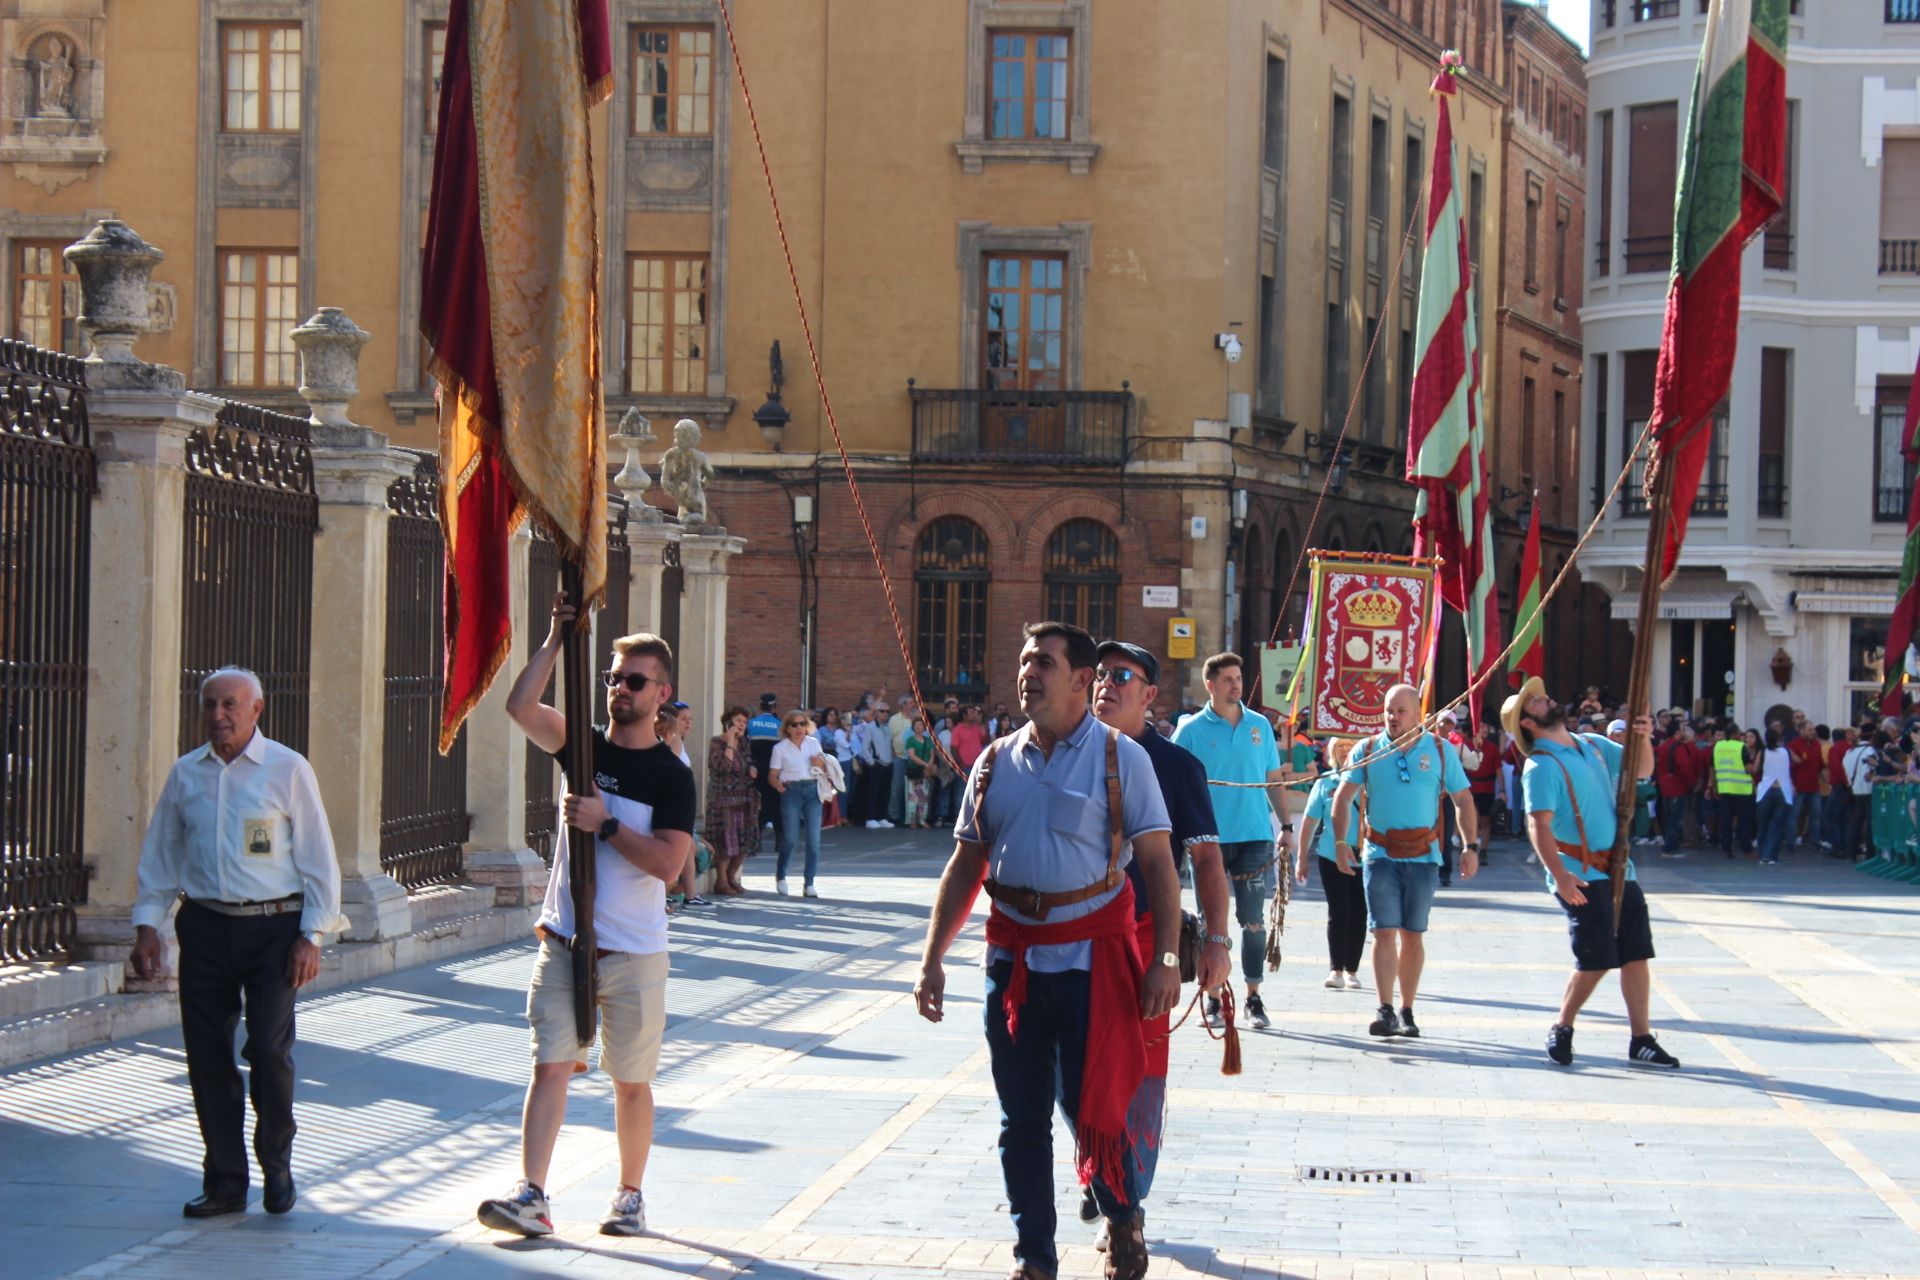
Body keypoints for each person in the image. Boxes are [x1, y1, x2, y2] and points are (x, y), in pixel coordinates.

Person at [915, 622, 1180, 1280]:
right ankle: (1034, 1256)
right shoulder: (994, 761)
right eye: (1025, 659)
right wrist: (931, 958)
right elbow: (965, 864)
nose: (1027, 672)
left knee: (1100, 1106)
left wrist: (1167, 959)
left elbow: (1159, 865)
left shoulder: (1124, 759)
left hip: (1095, 963)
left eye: (1044, 663)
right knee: (1021, 1119)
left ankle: (1122, 1218)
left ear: (1081, 680)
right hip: (1012, 966)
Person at [483, 601, 695, 1238]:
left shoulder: (672, 775)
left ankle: (630, 1196)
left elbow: (667, 864)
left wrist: (605, 825)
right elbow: (520, 708)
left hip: (632, 950)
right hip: (565, 940)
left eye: (634, 680)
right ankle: (533, 1195)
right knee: (550, 1064)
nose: (618, 690)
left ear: (661, 694)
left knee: (630, 1081)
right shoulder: (584, 746)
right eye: (612, 677)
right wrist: (553, 638)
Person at [130, 666, 343, 1219]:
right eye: (209, 705)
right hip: (204, 926)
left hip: (274, 930)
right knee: (207, 1056)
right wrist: (147, 924)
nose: (218, 715)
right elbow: (161, 854)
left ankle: (276, 1162)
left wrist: (311, 934)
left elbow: (319, 859)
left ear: (256, 710)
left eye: (229, 704)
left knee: (269, 1051)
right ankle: (225, 1180)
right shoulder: (186, 774)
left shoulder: (287, 769)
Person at [1085, 639, 1233, 1242]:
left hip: (1150, 939)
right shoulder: (1066, 755)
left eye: (1122, 675)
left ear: (1149, 695)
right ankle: (1102, 1173)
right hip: (1074, 939)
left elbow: (1207, 862)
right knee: (1079, 1067)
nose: (1105, 684)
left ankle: (1128, 1197)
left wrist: (1218, 941)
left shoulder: (1176, 767)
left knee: (1142, 1071)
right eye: (1098, 674)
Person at [1501, 678, 1678, 1069]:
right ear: (1528, 724)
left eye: (1541, 695)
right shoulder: (1541, 765)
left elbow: (1642, 769)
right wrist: (1560, 876)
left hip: (1618, 868)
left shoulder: (1592, 745)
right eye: (1536, 702)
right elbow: (1538, 825)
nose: (1546, 698)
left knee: (1636, 954)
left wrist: (1645, 737)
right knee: (1595, 959)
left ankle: (1641, 1038)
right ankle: (1562, 1026)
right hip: (1580, 872)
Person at [1330, 684, 1478, 1039]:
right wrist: (1339, 842)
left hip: (1424, 858)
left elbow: (1463, 799)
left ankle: (1407, 1009)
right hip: (1380, 855)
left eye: (1400, 711)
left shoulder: (1441, 751)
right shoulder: (1367, 750)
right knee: (1383, 932)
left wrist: (1470, 846)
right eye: (1388, 710)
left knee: (1413, 936)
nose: (1392, 717)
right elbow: (1343, 794)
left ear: (1417, 715)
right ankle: (1384, 1009)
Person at [1172, 652, 1285, 1031]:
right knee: (1209, 924)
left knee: (1253, 922)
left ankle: (1253, 997)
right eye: (1228, 679)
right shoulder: (1189, 731)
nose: (1236, 684)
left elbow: (1273, 779)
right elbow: (1170, 782)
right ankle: (1215, 998)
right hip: (1209, 842)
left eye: (1239, 678)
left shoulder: (1260, 727)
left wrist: (1285, 825)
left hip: (1255, 837)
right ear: (1210, 684)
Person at [1296, 738, 1367, 991]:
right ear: (1330, 753)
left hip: (1364, 855)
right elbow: (1310, 821)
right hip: (1331, 854)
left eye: (1350, 746)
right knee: (1339, 912)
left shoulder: (1368, 780)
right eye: (1339, 747)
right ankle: (1336, 968)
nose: (1345, 751)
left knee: (1360, 913)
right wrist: (1302, 856)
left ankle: (1352, 969)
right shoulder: (1326, 782)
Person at [769, 709, 829, 897]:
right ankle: (781, 876)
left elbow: (825, 768)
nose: (799, 728)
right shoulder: (780, 748)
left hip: (812, 790)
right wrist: (777, 784)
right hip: (791, 791)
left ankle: (809, 883)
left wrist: (821, 764)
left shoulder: (813, 743)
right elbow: (772, 775)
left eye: (803, 723)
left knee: (814, 840)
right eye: (794, 724)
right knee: (791, 838)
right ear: (787, 728)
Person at [660, 704, 707, 909]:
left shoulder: (678, 741)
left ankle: (685, 893)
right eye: (683, 718)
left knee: (692, 849)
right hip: (673, 806)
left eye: (690, 718)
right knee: (686, 848)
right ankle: (685, 894)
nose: (688, 722)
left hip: (679, 806)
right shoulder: (673, 742)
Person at [706, 706, 757, 895]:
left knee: (744, 842)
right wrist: (729, 743)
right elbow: (723, 766)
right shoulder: (717, 742)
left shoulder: (745, 743)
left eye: (744, 722)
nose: (741, 725)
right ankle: (721, 881)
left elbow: (748, 761)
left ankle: (731, 876)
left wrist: (751, 767)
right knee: (724, 842)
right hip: (722, 800)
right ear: (728, 723)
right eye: (738, 721)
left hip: (743, 800)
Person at [1654, 719, 1705, 856]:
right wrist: (1692, 782)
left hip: (1665, 786)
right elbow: (1685, 767)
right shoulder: (1678, 747)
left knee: (1669, 817)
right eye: (1682, 728)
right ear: (1677, 732)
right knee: (1674, 819)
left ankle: (1669, 844)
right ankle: (1670, 847)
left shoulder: (1664, 746)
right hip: (1677, 786)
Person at [1709, 720, 1756, 857]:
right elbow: (1748, 769)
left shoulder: (1717, 747)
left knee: (1726, 822)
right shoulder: (1741, 747)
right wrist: (1754, 766)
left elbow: (1712, 767)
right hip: (1742, 790)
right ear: (1735, 734)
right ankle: (1746, 849)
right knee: (1744, 821)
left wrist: (1712, 785)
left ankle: (1726, 849)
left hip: (1724, 789)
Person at [1754, 726, 1795, 865]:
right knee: (1777, 824)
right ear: (1779, 738)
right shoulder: (1786, 751)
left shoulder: (1763, 752)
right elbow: (1797, 761)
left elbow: (1755, 768)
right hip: (1783, 789)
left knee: (1763, 823)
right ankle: (1771, 856)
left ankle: (1762, 855)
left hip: (1766, 789)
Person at [852, 701, 895, 829]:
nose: (885, 714)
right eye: (882, 711)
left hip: (888, 763)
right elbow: (865, 748)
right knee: (873, 792)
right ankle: (870, 818)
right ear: (876, 713)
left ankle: (881, 817)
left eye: (887, 712)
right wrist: (871, 762)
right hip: (877, 763)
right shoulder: (870, 727)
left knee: (885, 791)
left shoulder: (888, 728)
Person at [747, 693, 782, 837]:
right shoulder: (780, 725)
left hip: (756, 769)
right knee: (777, 803)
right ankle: (779, 839)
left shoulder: (750, 724)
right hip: (776, 769)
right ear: (774, 707)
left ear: (760, 706)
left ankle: (757, 837)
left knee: (759, 803)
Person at [1788, 722, 1826, 850]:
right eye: (1809, 730)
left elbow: (1820, 766)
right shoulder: (1793, 745)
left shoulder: (1816, 745)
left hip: (1813, 786)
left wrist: (1826, 781)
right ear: (1801, 730)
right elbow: (1788, 768)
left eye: (1813, 729)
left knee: (1816, 814)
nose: (1812, 732)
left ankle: (1815, 841)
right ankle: (1791, 842)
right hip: (1798, 787)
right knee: (1794, 814)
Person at [888, 696, 918, 827]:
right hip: (899, 757)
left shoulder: (916, 718)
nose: (913, 705)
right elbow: (889, 737)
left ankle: (910, 816)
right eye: (911, 703)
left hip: (915, 758)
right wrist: (892, 752)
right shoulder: (894, 719)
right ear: (903, 705)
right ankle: (895, 815)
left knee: (913, 789)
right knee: (897, 787)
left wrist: (915, 719)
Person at [903, 715, 935, 828]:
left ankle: (922, 820)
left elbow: (932, 754)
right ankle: (912, 820)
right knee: (913, 796)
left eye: (920, 725)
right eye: (916, 725)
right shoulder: (910, 740)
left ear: (924, 727)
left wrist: (929, 765)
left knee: (924, 797)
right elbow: (912, 756)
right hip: (914, 770)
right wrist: (925, 764)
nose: (918, 727)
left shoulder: (928, 740)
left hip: (925, 771)